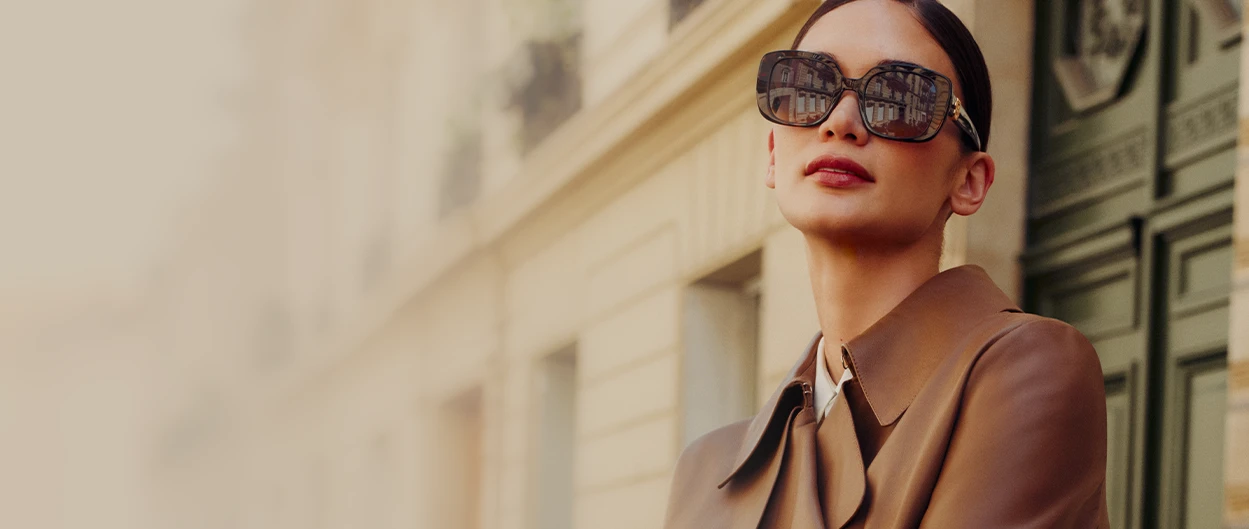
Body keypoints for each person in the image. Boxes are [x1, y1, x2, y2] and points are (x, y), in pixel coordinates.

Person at [662, 0, 1110, 527]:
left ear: (970, 181)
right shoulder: (706, 471)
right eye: (808, 87)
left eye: (900, 99)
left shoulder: (1033, 369)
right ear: (773, 155)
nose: (841, 121)